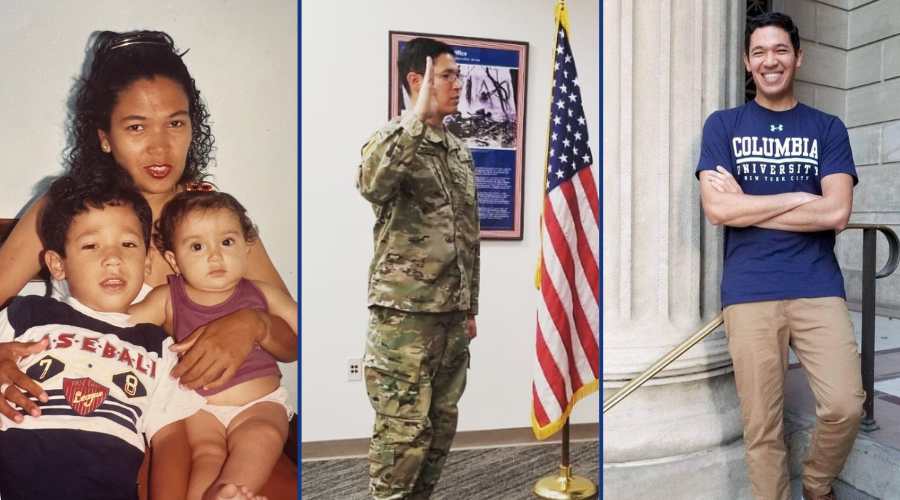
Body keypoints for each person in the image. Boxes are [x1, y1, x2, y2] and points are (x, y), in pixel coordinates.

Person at [0, 30, 297, 497]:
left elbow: (292, 341)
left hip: (200, 424)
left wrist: (255, 324)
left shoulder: (210, 217)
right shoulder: (69, 206)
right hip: (84, 427)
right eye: (136, 127)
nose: (160, 149)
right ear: (104, 136)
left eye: (175, 124)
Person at [696, 12, 863, 500]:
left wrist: (746, 207)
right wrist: (798, 198)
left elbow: (836, 213)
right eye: (761, 52)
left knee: (845, 404)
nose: (771, 61)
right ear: (748, 62)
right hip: (750, 292)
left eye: (781, 50)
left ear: (798, 57)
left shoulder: (827, 127)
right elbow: (716, 208)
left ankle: (815, 483)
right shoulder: (723, 125)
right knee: (762, 425)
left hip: (817, 286)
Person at [0, 173, 206, 500]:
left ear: (147, 259)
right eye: (91, 245)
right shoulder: (26, 315)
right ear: (57, 264)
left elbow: (171, 440)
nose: (113, 258)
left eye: (128, 244)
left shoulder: (159, 346)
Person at [356, 37, 480, 500]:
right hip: (403, 318)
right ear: (417, 80)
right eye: (447, 75)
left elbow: (469, 238)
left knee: (440, 428)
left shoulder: (459, 151)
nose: (458, 84)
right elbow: (372, 184)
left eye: (457, 76)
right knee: (402, 436)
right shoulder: (392, 139)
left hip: (451, 318)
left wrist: (470, 307)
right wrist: (413, 120)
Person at [129, 190, 297, 500]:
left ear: (248, 248)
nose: (215, 256)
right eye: (197, 246)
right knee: (206, 455)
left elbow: (303, 332)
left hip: (259, 404)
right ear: (174, 260)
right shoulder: (167, 298)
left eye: (227, 242)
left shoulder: (262, 293)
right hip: (197, 406)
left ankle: (231, 491)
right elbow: (118, 324)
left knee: (265, 437)